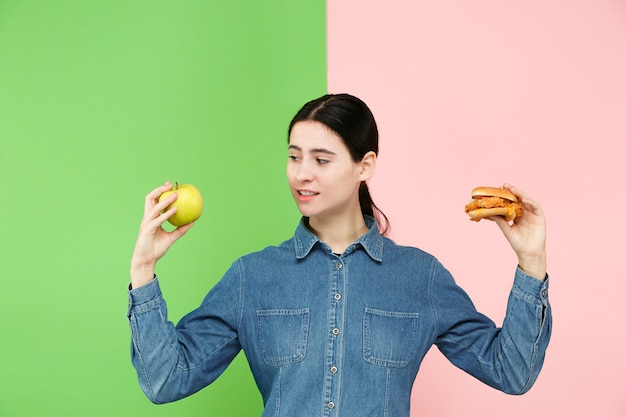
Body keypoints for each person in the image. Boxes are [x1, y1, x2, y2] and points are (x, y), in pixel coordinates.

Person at [127, 93, 551, 416]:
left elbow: (510, 372)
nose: (301, 174)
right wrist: (144, 269)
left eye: (321, 159)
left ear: (364, 166)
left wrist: (531, 261)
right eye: (293, 157)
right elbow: (166, 380)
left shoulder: (419, 277)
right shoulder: (252, 277)